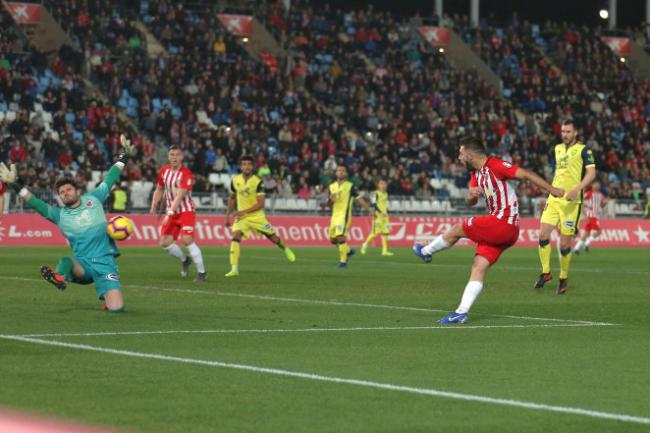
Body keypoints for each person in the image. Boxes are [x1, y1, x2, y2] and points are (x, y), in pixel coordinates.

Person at [412, 137, 563, 324]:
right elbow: (471, 201)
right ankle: (461, 312)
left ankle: (426, 251)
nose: (459, 158)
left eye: (460, 154)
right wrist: (471, 197)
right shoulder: (476, 174)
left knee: (459, 228)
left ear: (470, 155)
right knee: (478, 267)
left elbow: (525, 174)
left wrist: (552, 190)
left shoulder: (495, 165)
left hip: (503, 222)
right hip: (505, 232)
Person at [0, 136, 135, 312]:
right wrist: (15, 185)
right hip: (83, 266)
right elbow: (34, 202)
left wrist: (124, 155)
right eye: (61, 192)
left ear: (78, 191)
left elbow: (111, 177)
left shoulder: (94, 199)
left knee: (117, 309)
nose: (65, 193)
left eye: (68, 189)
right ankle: (60, 278)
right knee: (66, 260)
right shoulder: (59, 215)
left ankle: (109, 302)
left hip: (105, 262)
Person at [535, 119, 596, 294]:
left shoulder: (584, 150)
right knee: (542, 234)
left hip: (571, 203)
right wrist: (551, 189)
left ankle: (563, 278)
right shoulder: (557, 149)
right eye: (563, 131)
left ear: (575, 133)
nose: (565, 134)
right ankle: (546, 272)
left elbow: (592, 173)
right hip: (554, 199)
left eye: (568, 131)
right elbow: (560, 173)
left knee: (564, 244)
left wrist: (577, 189)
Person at [224, 155, 296, 277]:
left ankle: (285, 249)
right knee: (236, 236)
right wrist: (226, 216)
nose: (246, 166)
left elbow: (261, 203)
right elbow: (232, 198)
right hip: (242, 217)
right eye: (244, 164)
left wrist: (244, 211)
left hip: (257, 215)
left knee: (273, 238)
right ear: (241, 167)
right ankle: (234, 269)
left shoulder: (258, 182)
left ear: (252, 167)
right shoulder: (235, 180)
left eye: (249, 164)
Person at [150, 146, 207, 281]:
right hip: (171, 212)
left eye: (177, 154)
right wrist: (154, 204)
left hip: (185, 211)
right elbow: (159, 189)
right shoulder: (164, 171)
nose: (174, 157)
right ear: (168, 157)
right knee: (164, 242)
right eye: (171, 154)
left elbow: (180, 195)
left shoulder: (186, 173)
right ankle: (185, 260)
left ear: (181, 157)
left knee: (187, 239)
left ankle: (202, 273)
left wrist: (169, 213)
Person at [327, 165, 374, 268]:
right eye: (339, 170)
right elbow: (329, 203)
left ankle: (343, 262)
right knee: (332, 240)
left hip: (344, 216)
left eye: (343, 171)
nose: (341, 172)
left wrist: (369, 209)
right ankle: (348, 251)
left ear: (346, 174)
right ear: (336, 173)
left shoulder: (350, 186)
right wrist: (330, 199)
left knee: (340, 237)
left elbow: (359, 199)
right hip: (334, 216)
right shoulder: (331, 186)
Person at [573, 181, 607, 254]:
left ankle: (576, 248)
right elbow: (581, 202)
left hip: (595, 216)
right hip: (591, 216)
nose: (597, 186)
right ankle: (586, 244)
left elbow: (601, 205)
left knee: (586, 234)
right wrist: (585, 215)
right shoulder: (589, 193)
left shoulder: (601, 195)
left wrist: (605, 203)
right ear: (592, 186)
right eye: (596, 184)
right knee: (599, 231)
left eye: (598, 184)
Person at [361, 179, 393, 256]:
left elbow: (385, 205)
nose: (383, 185)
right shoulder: (373, 193)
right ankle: (364, 245)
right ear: (378, 185)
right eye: (381, 184)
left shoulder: (386, 194)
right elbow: (374, 205)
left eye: (384, 184)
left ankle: (384, 251)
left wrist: (388, 213)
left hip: (385, 216)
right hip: (377, 216)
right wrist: (380, 212)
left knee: (385, 233)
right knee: (375, 233)